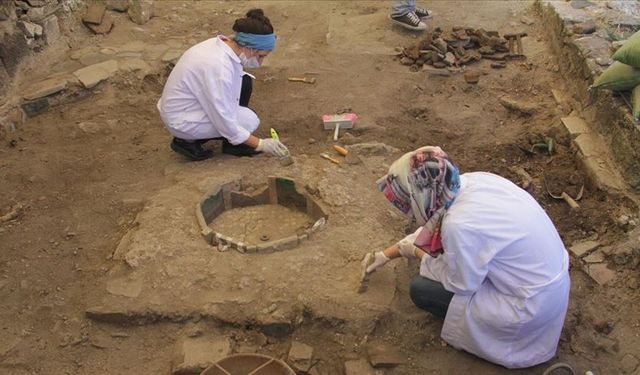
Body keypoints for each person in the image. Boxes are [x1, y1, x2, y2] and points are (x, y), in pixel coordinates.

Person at [365, 146, 570, 369]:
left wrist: (416, 253)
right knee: (443, 262)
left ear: (422, 196)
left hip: (528, 307)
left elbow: (462, 283)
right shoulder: (470, 182)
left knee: (420, 288)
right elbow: (439, 221)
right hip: (550, 283)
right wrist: (388, 253)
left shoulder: (459, 226)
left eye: (407, 200)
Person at [157, 9, 288, 161]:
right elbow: (224, 120)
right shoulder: (218, 67)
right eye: (260, 56)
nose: (260, 61)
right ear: (249, 48)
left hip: (186, 103)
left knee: (244, 81)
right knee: (248, 120)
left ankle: (232, 143)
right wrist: (260, 144)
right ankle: (187, 141)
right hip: (181, 119)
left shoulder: (223, 45)